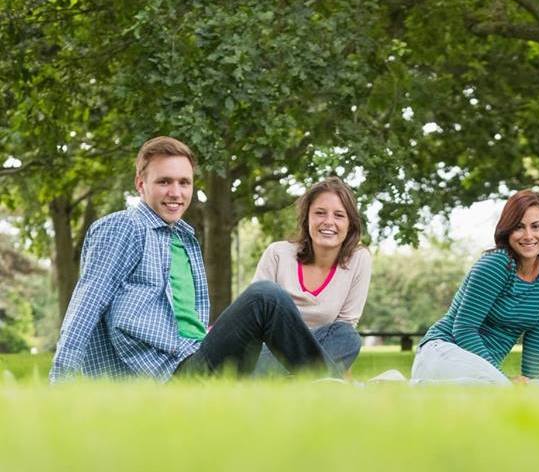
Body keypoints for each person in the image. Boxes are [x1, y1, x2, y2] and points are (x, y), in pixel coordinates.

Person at [49, 136, 331, 382]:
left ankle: (326, 382)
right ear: (140, 184)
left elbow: (189, 325)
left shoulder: (183, 237)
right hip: (169, 377)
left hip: (199, 356)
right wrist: (60, 380)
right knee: (265, 298)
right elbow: (86, 305)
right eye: (164, 182)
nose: (176, 193)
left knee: (338, 334)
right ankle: (330, 385)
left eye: (184, 182)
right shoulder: (125, 227)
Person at [410, 190, 539, 385]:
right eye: (518, 227)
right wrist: (502, 378)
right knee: (500, 388)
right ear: (507, 231)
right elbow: (464, 329)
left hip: (482, 369)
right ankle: (400, 386)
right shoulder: (495, 264)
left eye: (536, 227)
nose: (528, 236)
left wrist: (530, 381)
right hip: (443, 351)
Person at [251, 177, 372, 375]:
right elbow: (255, 318)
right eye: (320, 213)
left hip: (326, 347)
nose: (329, 222)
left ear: (350, 224)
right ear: (307, 218)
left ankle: (292, 384)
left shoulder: (359, 259)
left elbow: (345, 326)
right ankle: (315, 382)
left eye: (339, 215)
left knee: (348, 337)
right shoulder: (277, 254)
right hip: (271, 353)